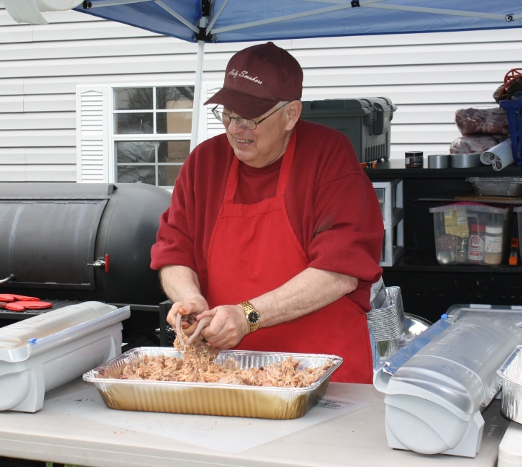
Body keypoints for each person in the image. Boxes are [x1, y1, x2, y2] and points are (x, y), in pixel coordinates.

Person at [150, 42, 384, 383]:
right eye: (228, 114)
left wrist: (247, 316)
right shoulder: (204, 163)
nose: (234, 129)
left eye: (250, 119)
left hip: (322, 373)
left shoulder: (329, 157)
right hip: (226, 374)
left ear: (290, 114)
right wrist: (190, 299)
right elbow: (173, 250)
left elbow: (340, 270)